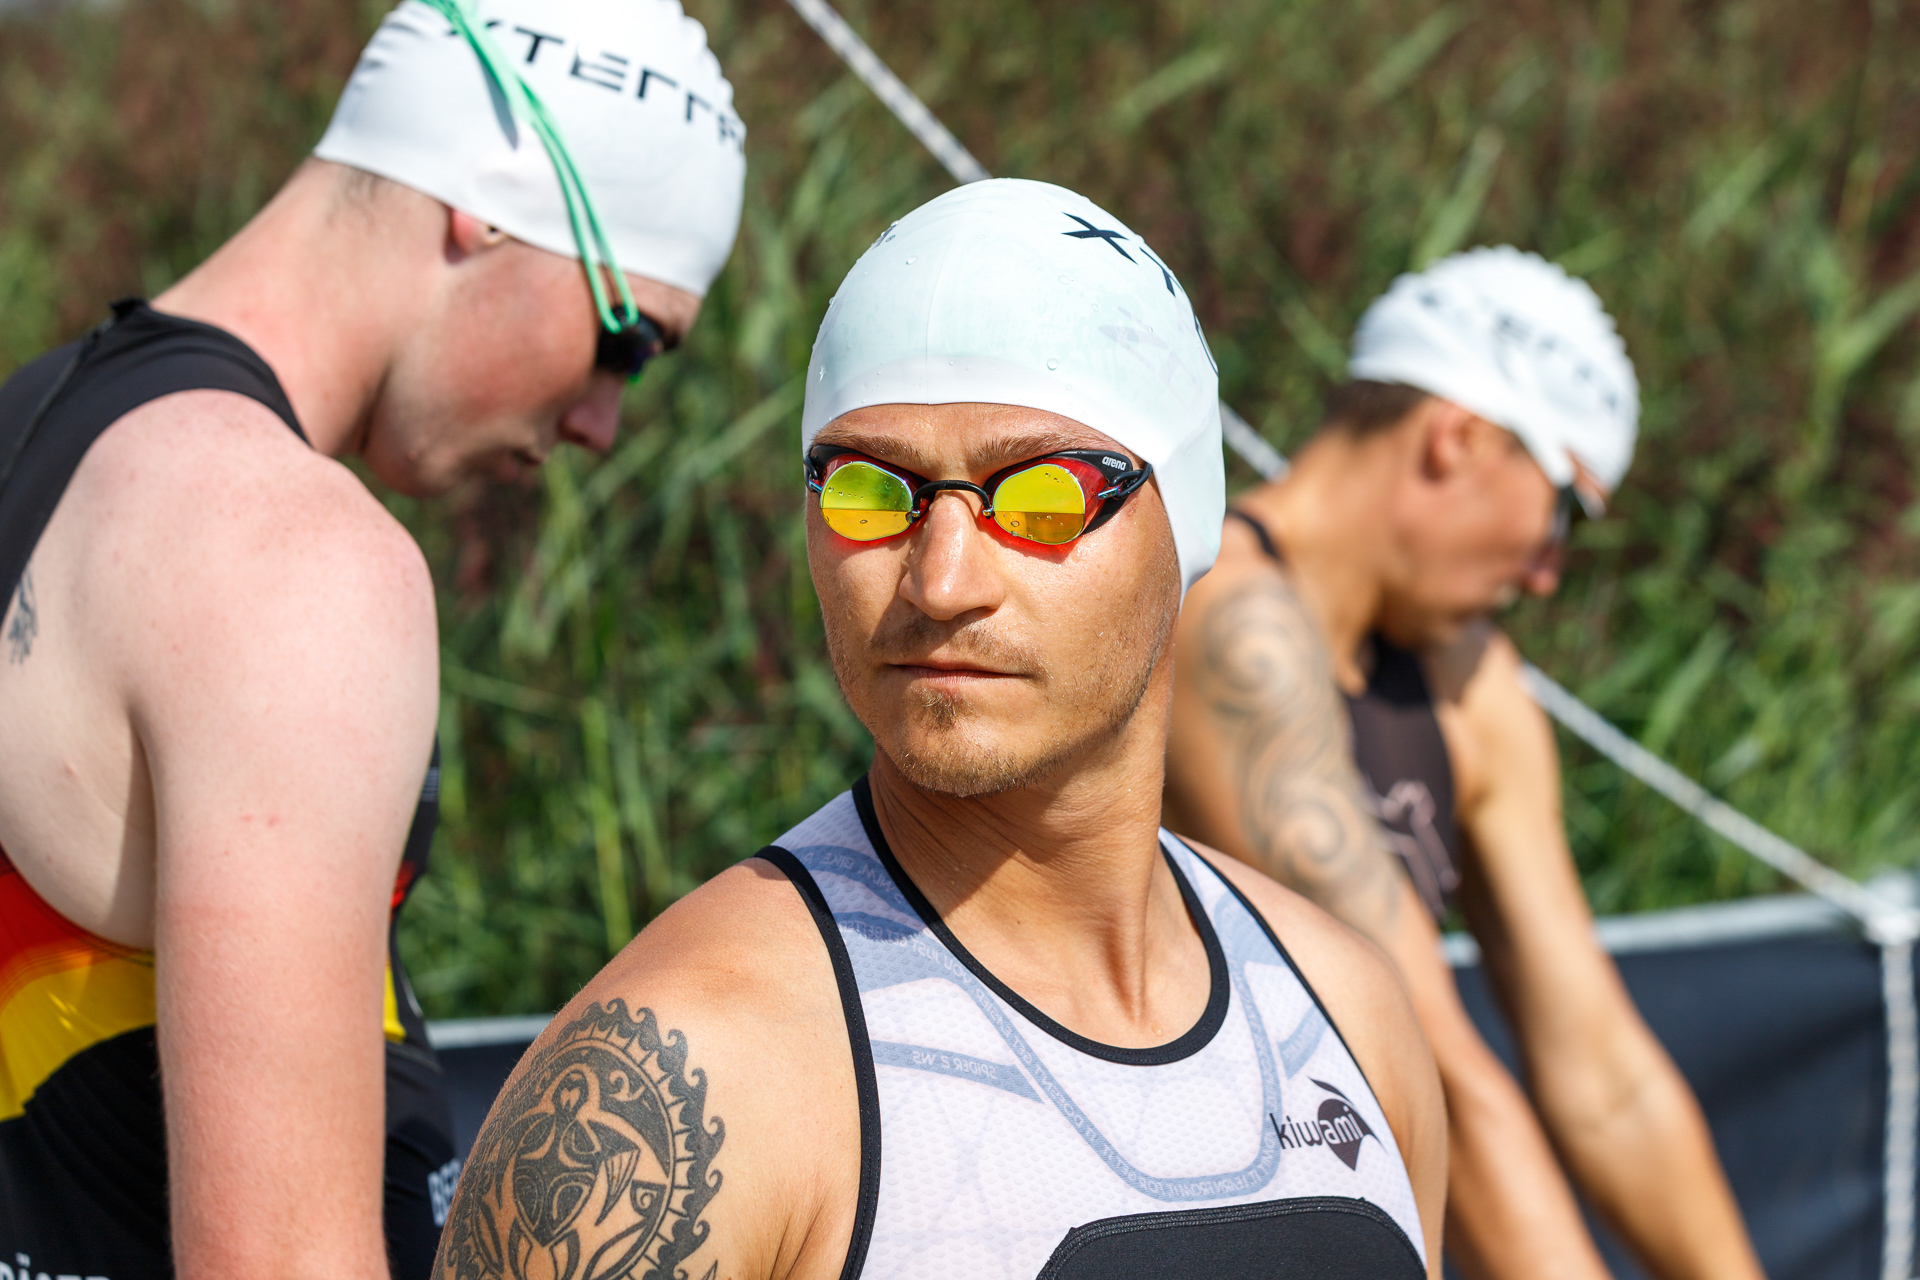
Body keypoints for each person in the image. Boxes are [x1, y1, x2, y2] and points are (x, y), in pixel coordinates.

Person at [434, 179, 1447, 1280]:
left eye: (1044, 497)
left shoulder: (1344, 1011)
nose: (944, 580)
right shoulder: (686, 1088)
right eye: (871, 493)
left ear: (1187, 519)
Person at [0, 0, 744, 1274]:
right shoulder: (294, 556)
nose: (601, 422)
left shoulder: (41, 426)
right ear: (488, 206)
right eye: (625, 340)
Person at [1164, 248, 1764, 1279]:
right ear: (1459, 440)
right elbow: (1417, 1058)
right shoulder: (1229, 624)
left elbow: (1605, 1075)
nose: (1547, 572)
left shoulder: (1472, 685)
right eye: (1564, 509)